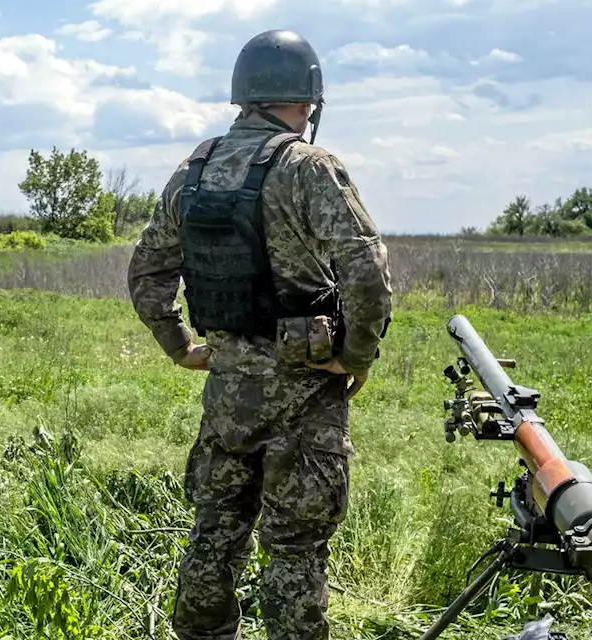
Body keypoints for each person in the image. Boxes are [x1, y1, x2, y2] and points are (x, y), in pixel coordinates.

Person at [126, 28, 393, 640]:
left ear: (243, 96)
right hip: (305, 390)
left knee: (214, 537)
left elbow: (147, 268)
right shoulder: (308, 167)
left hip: (226, 393)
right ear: (307, 100)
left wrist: (177, 346)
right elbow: (367, 274)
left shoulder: (197, 166)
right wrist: (354, 356)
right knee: (295, 552)